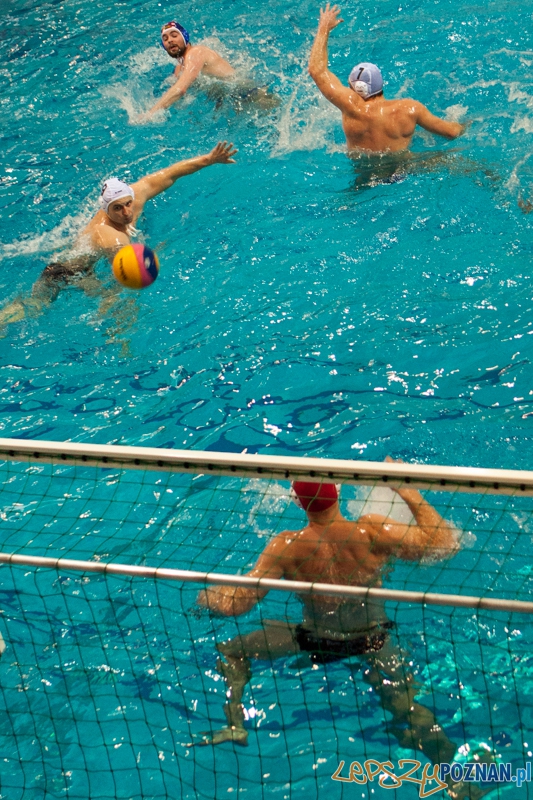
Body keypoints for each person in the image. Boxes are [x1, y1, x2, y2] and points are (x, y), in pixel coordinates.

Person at [196, 467, 489, 799]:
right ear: (339, 490)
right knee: (410, 710)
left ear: (298, 503)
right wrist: (408, 490)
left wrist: (205, 595)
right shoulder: (373, 532)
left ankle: (235, 723)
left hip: (314, 640)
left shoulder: (286, 546)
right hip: (374, 641)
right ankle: (460, 782)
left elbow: (238, 604)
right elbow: (444, 544)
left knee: (234, 651)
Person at [0, 142, 237, 330]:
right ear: (106, 209)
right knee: (40, 305)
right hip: (65, 273)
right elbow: (124, 270)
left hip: (87, 268)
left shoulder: (136, 195)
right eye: (117, 208)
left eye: (128, 204)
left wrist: (210, 159)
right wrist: (155, 253)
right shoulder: (109, 235)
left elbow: (172, 173)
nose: (126, 212)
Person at [308, 4, 465, 153]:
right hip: (401, 169)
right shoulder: (409, 110)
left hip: (365, 174)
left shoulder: (350, 107)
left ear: (356, 89)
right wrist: (465, 124)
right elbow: (451, 132)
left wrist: (324, 28)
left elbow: (317, 70)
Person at [147, 21, 277, 115]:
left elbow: (180, 89)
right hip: (231, 101)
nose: (169, 40)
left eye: (174, 35)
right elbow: (177, 94)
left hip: (250, 94)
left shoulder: (196, 53)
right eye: (165, 38)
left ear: (185, 37)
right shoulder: (179, 69)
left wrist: (149, 114)